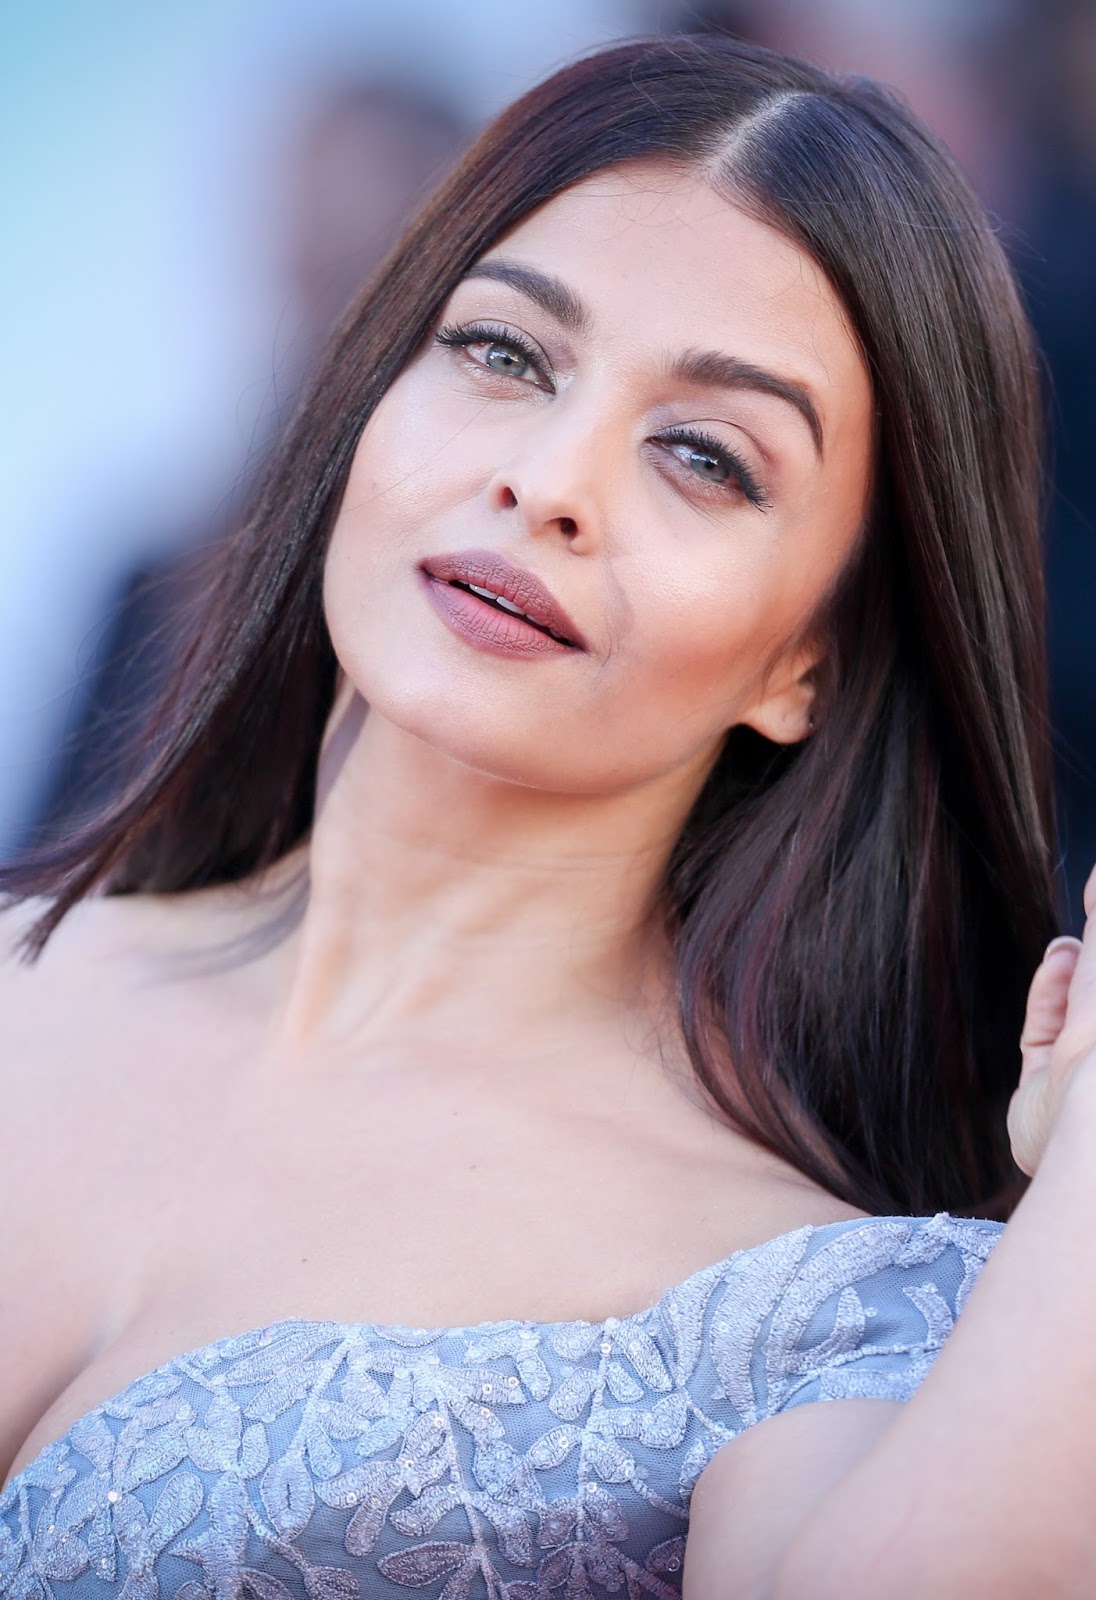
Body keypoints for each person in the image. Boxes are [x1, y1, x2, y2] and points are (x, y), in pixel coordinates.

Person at [0, 33, 1090, 1600]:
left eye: (706, 458)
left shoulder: (798, 1317)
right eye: (507, 355)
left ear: (809, 660)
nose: (551, 479)